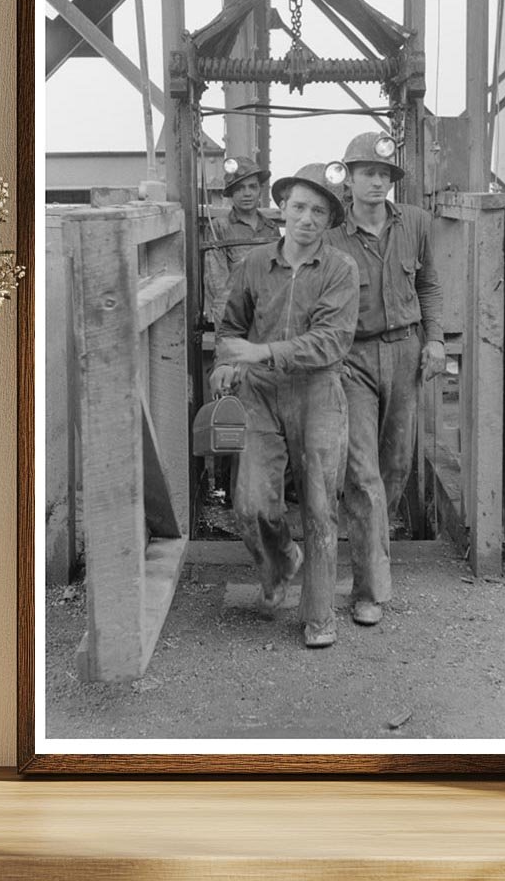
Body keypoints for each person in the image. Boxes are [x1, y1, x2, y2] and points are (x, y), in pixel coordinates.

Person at [211, 164, 359, 648]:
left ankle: (319, 615)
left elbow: (331, 341)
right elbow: (231, 325)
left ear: (330, 219)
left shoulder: (340, 269)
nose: (307, 218)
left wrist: (262, 352)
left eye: (319, 211)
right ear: (283, 208)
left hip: (317, 392)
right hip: (259, 394)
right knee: (251, 504)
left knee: (320, 505)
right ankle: (280, 563)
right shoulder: (255, 263)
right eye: (298, 207)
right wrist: (225, 361)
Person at [326, 132, 445, 627]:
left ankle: (371, 546)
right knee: (363, 472)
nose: (378, 182)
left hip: (405, 351)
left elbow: (428, 284)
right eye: (367, 174)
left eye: (385, 174)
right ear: (348, 180)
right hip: (351, 358)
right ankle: (369, 589)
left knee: (395, 466)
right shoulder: (332, 236)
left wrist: (435, 340)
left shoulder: (416, 222)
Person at [207, 156, 281, 325]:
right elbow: (217, 286)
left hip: (267, 313)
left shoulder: (271, 229)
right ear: (231, 194)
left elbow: (280, 279)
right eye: (240, 188)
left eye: (252, 187)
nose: (247, 193)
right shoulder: (219, 228)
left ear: (260, 191)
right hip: (234, 315)